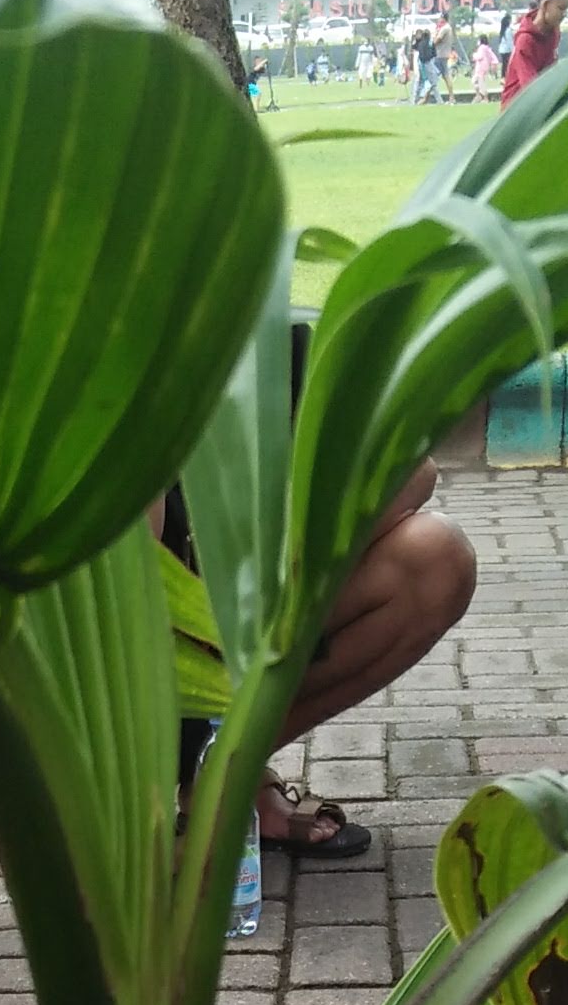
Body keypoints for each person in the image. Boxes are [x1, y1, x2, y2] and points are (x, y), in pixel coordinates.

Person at [164, 316, 477, 861]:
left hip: (228, 630)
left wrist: (281, 587)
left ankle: (224, 779)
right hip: (115, 667)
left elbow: (412, 470)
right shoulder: (97, 355)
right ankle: (116, 815)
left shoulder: (268, 348)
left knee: (434, 559)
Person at [501, 0, 568, 105]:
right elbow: (530, 88)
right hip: (517, 110)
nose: (564, 14)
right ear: (545, 5)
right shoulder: (525, 41)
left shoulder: (554, 32)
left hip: (540, 101)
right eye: (561, 8)